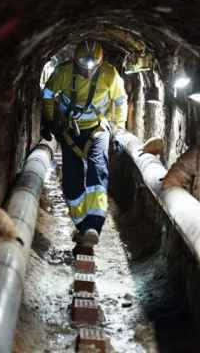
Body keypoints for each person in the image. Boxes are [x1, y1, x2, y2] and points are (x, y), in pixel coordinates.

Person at [41, 40, 128, 246]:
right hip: (70, 129)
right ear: (75, 62)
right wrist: (49, 120)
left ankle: (94, 224)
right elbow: (48, 94)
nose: (88, 71)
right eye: (83, 67)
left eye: (93, 67)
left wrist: (118, 130)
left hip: (97, 128)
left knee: (97, 169)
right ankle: (82, 225)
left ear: (99, 63)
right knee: (71, 178)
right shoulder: (63, 73)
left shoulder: (109, 74)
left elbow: (120, 101)